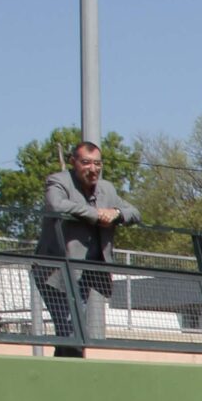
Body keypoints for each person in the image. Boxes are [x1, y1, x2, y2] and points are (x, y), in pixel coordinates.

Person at [32, 139, 139, 357]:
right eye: (86, 163)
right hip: (54, 272)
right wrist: (96, 214)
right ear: (73, 162)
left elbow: (135, 213)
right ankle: (72, 371)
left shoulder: (107, 189)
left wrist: (116, 213)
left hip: (86, 273)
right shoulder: (58, 181)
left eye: (97, 163)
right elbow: (56, 204)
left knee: (72, 330)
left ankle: (65, 371)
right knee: (72, 329)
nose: (93, 169)